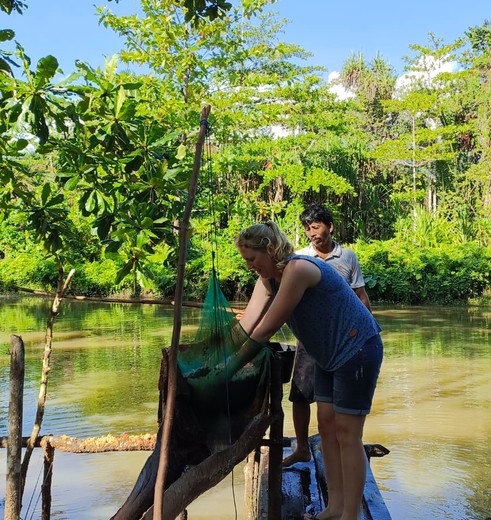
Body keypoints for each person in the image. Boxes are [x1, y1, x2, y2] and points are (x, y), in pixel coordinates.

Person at [235, 221, 383, 520]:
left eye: (252, 259)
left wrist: (230, 368)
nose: (250, 266)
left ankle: (350, 515)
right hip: (327, 356)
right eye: (245, 261)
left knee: (347, 433)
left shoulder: (298, 270)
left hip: (357, 348)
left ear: (270, 249)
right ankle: (336, 506)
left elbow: (265, 329)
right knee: (326, 427)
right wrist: (220, 352)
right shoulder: (268, 279)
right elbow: (247, 325)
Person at [283, 203, 372, 468]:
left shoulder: (347, 258)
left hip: (344, 340)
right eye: (308, 228)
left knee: (337, 399)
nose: (312, 233)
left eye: (316, 226)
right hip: (310, 338)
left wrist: (366, 334)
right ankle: (302, 448)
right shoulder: (299, 259)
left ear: (330, 227)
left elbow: (360, 297)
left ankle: (335, 448)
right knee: (300, 394)